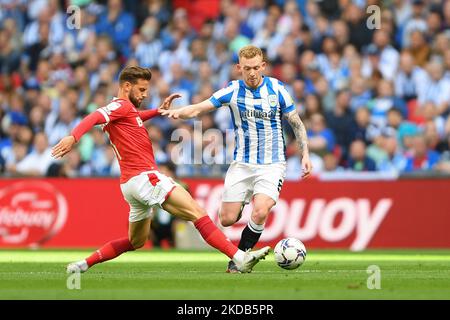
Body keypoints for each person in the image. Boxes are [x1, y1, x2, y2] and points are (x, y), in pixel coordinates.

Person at [52, 66, 270, 274]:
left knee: (135, 241)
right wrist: (74, 137)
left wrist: (158, 110)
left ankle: (83, 264)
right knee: (197, 213)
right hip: (145, 177)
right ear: (127, 86)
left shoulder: (126, 112)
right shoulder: (120, 106)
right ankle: (239, 257)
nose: (146, 94)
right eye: (142, 89)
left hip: (129, 184)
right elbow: (95, 116)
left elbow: (135, 117)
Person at [161, 45, 312, 273]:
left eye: (256, 68)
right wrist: (175, 112)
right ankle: (240, 205)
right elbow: (199, 109)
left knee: (261, 211)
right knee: (227, 219)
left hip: (272, 164)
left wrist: (305, 154)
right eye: (247, 68)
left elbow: (296, 122)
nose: (252, 73)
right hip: (242, 164)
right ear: (238, 68)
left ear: (263, 66)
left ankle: (238, 260)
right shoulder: (232, 91)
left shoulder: (277, 89)